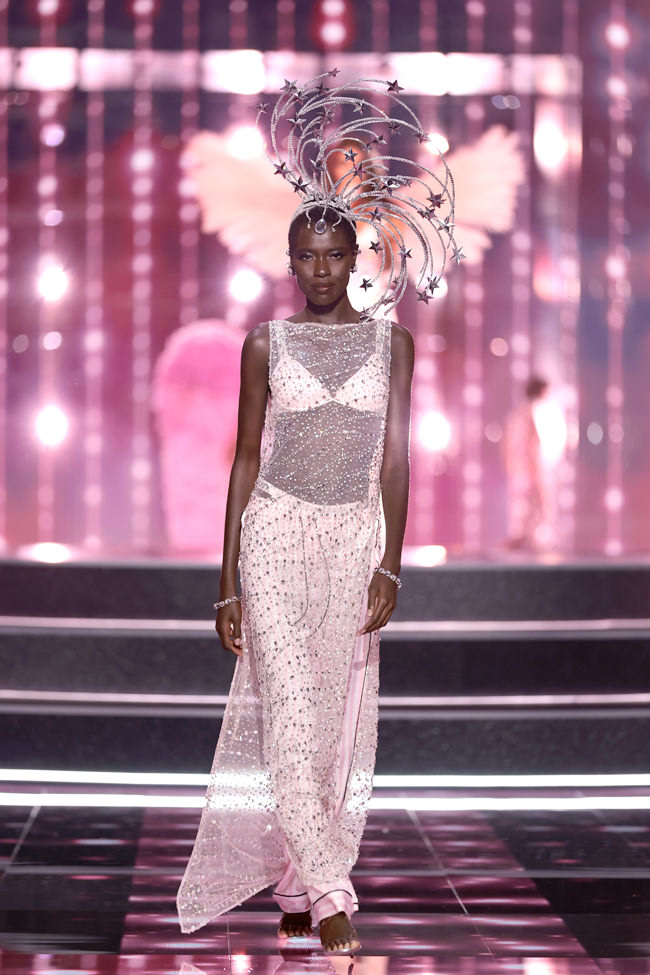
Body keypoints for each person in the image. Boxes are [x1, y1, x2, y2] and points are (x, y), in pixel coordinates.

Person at [176, 71, 458, 954]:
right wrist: (226, 581)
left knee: (334, 721)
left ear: (356, 254)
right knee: (292, 713)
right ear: (291, 261)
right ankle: (333, 889)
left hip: (353, 540)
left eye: (337, 253)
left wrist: (391, 561)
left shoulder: (393, 345)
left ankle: (297, 882)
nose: (324, 268)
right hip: (275, 532)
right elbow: (245, 460)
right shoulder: (265, 344)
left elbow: (396, 459)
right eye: (309, 256)